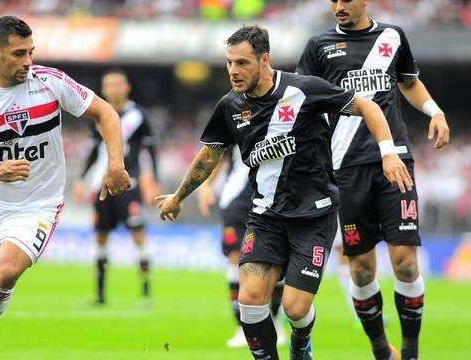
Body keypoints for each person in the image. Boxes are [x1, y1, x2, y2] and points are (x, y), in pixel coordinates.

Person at [158, 25, 412, 360]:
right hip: (265, 216)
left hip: (314, 215)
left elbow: (368, 107)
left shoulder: (303, 89)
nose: (234, 71)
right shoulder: (229, 106)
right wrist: (178, 196)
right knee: (249, 299)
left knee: (295, 309)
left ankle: (302, 339)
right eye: (229, 63)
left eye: (242, 63)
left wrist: (388, 150)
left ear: (264, 60)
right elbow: (209, 155)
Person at [0, 16, 130, 360]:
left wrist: (115, 164)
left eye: (31, 52)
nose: (27, 62)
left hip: (39, 204)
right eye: (19, 54)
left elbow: (106, 113)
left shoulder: (49, 82)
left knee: (5, 273)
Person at [295, 1, 450, 359]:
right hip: (345, 169)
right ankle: (381, 350)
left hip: (394, 162)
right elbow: (305, 102)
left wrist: (435, 111)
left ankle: (410, 352)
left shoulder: (392, 37)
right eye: (332, 0)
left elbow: (409, 83)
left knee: (406, 263)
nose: (338, 7)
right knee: (362, 271)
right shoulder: (318, 47)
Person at [73, 69, 159, 304]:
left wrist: (152, 181)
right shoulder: (99, 115)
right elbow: (93, 151)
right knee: (101, 236)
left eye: (118, 84)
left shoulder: (138, 115)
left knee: (138, 235)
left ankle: (145, 291)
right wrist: (82, 179)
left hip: (129, 186)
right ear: (104, 89)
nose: (114, 89)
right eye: (109, 85)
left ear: (127, 87)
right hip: (103, 186)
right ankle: (100, 294)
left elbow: (150, 150)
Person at [197, 145, 286, 347]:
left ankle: (275, 321)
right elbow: (216, 152)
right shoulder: (235, 115)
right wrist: (205, 186)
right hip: (236, 200)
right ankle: (240, 328)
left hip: (273, 198)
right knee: (235, 260)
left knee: (277, 261)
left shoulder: (281, 116)